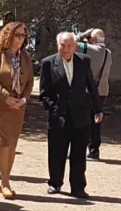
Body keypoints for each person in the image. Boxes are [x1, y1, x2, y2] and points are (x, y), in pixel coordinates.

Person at [40, 32, 103, 199]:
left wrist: (98, 108)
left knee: (78, 154)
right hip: (58, 117)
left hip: (80, 116)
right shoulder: (48, 63)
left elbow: (91, 85)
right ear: (57, 45)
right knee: (56, 153)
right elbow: (44, 93)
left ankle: (78, 187)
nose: (66, 49)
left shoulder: (84, 61)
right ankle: (55, 183)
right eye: (63, 45)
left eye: (69, 45)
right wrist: (54, 110)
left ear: (75, 46)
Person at [0, 21, 34, 198]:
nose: (21, 39)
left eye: (23, 35)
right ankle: (4, 182)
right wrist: (7, 97)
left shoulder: (26, 56)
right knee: (3, 143)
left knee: (12, 144)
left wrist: (23, 99)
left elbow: (30, 81)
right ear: (9, 34)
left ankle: (6, 180)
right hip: (0, 105)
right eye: (17, 34)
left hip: (18, 106)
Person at [75, 28, 112, 160]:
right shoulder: (108, 53)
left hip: (88, 91)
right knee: (96, 121)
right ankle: (94, 150)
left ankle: (79, 149)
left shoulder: (88, 49)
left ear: (93, 40)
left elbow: (69, 42)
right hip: (102, 90)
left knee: (81, 120)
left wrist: (82, 35)